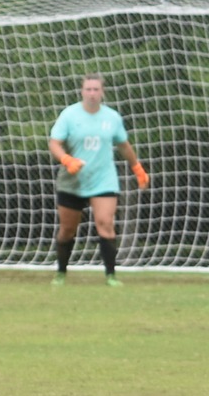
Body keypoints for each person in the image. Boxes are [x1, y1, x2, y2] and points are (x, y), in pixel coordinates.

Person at [48, 74, 150, 284]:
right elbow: (54, 143)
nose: (92, 93)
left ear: (102, 92)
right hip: (73, 181)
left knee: (105, 223)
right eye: (88, 89)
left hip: (103, 180)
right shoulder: (69, 115)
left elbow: (123, 145)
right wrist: (67, 160)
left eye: (96, 90)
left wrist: (137, 168)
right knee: (67, 229)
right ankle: (61, 273)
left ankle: (111, 275)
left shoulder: (112, 117)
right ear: (82, 91)